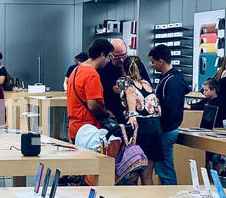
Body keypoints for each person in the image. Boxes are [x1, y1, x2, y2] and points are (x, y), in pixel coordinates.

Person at [116, 54, 159, 185]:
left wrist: (132, 113)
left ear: (124, 68)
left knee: (132, 171)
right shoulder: (147, 83)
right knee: (148, 176)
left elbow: (130, 92)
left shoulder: (124, 81)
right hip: (154, 127)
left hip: (138, 128)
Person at [149, 44, 187, 187]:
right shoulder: (169, 78)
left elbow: (170, 110)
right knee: (163, 169)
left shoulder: (171, 81)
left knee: (166, 169)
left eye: (153, 62)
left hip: (166, 130)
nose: (152, 66)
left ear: (161, 61)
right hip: (166, 129)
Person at [66, 38, 112, 142]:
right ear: (102, 54)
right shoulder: (92, 74)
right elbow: (93, 105)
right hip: (89, 131)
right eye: (109, 56)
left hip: (75, 129)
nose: (109, 60)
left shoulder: (76, 70)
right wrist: (107, 113)